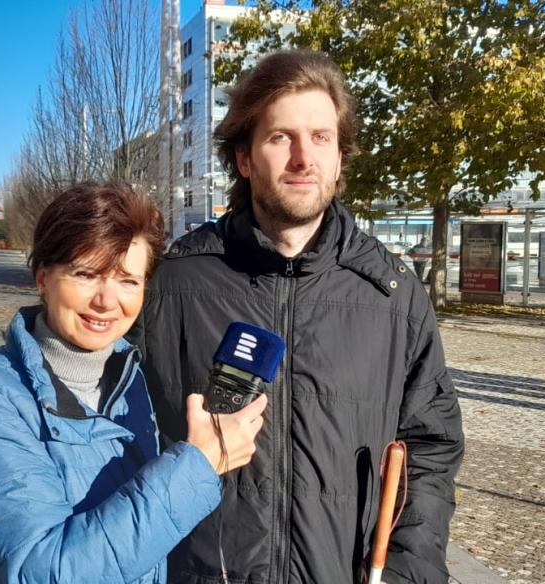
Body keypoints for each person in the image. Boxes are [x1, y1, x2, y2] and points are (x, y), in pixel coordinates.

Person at [135, 51, 464, 584]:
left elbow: (430, 447)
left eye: (320, 137)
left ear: (340, 157)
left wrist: (405, 573)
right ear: (244, 158)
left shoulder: (392, 294)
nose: (302, 158)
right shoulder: (173, 285)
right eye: (280, 137)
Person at [0, 183, 267, 583]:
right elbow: (43, 572)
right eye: (86, 274)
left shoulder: (131, 377)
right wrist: (199, 465)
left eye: (128, 281)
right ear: (43, 278)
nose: (106, 300)